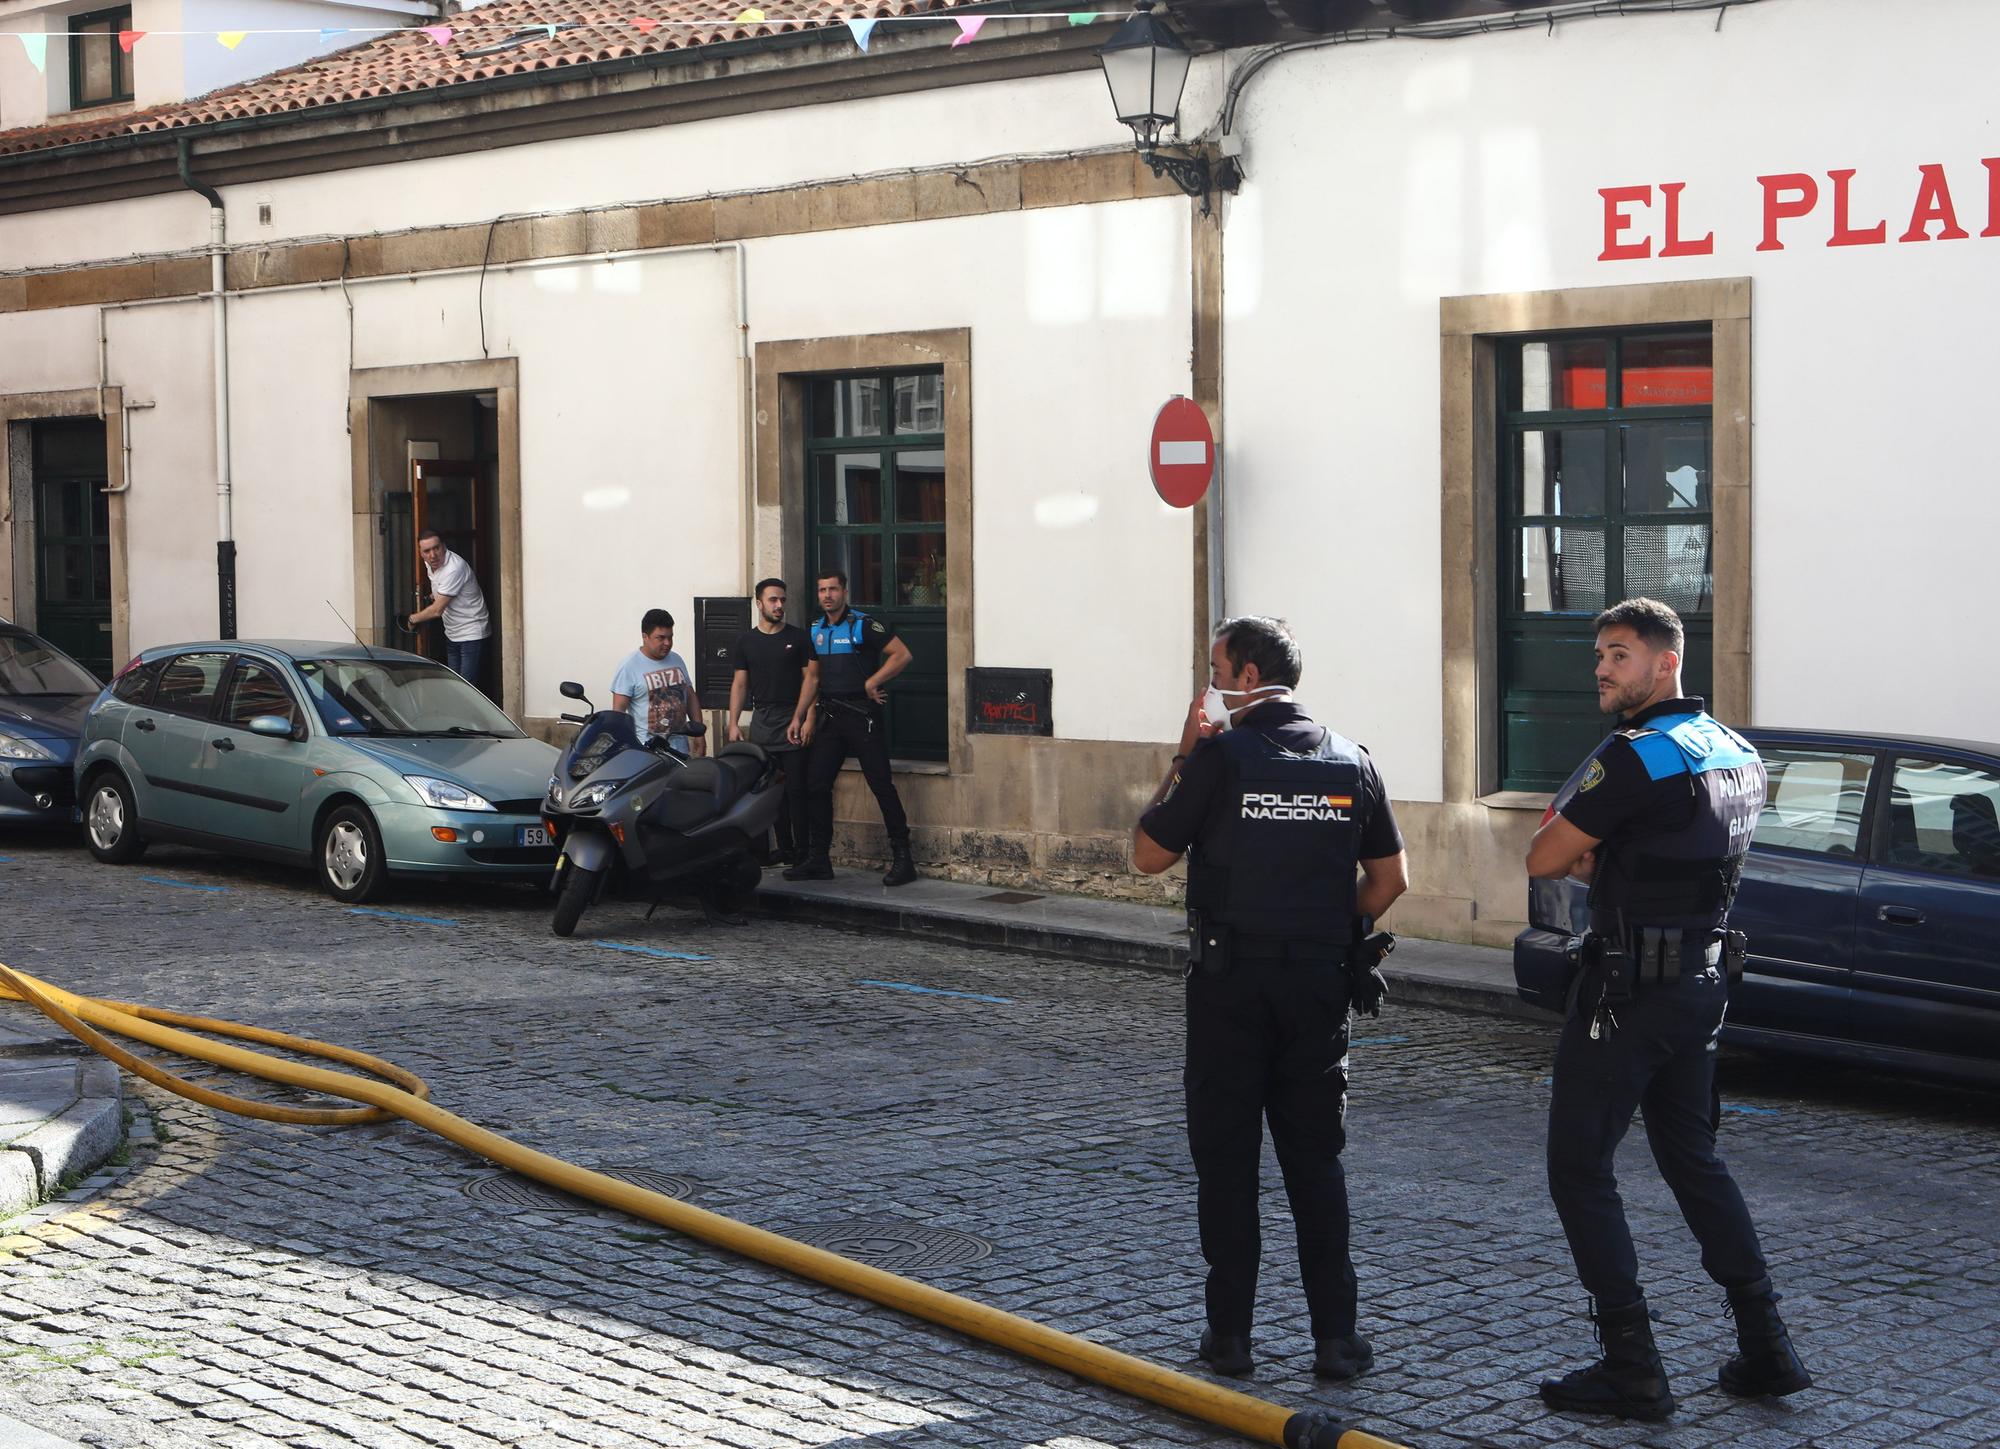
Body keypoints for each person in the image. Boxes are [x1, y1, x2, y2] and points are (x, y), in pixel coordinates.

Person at [1525, 597, 1810, 1421]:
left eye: (1619, 654)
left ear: (1666, 662)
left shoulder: (1639, 754)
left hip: (1628, 991)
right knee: (1692, 1157)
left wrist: (1595, 854)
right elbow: (1680, 854)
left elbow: (1547, 852)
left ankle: (1633, 1367)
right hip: (1701, 982)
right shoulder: (1737, 750)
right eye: (1601, 656)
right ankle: (1767, 1345)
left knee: (1579, 1167)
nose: (1602, 670)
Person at [1132, 616, 1407, 1384]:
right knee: (1316, 1164)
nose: (1209, 684)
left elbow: (1148, 852)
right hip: (1319, 988)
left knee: (1228, 1165)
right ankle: (1337, 1340)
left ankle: (1231, 1339)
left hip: (1231, 988)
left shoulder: (1219, 758)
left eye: (1216, 669)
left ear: (1247, 677)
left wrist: (1186, 750)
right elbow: (1390, 883)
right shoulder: (1353, 760)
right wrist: (1330, 925)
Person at [783, 570, 917, 888]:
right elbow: (812, 679)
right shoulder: (815, 629)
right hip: (830, 715)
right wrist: (798, 717)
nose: (827, 595)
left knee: (881, 784)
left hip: (862, 715)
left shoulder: (863, 624)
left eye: (833, 589)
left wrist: (873, 680)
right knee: (816, 785)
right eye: (822, 590)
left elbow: (902, 654)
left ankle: (903, 858)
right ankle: (819, 859)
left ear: (845, 591)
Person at [726, 578, 818, 866]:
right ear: (759, 603)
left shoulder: (800, 638)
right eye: (773, 600)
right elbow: (740, 685)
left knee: (797, 791)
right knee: (770, 792)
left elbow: (812, 681)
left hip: (792, 718)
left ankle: (803, 852)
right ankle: (784, 849)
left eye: (782, 600)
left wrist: (805, 719)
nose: (779, 605)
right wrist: (733, 723)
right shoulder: (746, 641)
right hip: (762, 722)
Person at [403, 530, 491, 697]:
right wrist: (432, 596)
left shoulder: (454, 568)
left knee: (466, 690)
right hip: (452, 633)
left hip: (471, 633)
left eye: (436, 548)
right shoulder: (430, 563)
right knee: (454, 687)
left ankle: (469, 722)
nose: (433, 555)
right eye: (427, 551)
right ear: (420, 553)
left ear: (444, 547)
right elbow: (439, 586)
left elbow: (437, 610)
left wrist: (411, 619)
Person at [611, 608, 705, 759]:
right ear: (645, 637)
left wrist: (700, 734)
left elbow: (690, 695)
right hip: (648, 752)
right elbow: (618, 714)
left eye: (670, 637)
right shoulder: (629, 666)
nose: (667, 643)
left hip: (680, 750)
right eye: (660, 638)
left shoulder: (676, 660)